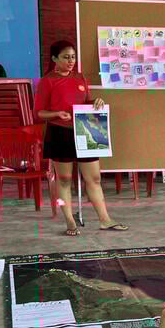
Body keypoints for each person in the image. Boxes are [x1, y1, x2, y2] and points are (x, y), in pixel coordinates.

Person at [35, 40, 128, 236]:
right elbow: (39, 113)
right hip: (60, 132)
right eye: (65, 57)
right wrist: (56, 114)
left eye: (73, 57)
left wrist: (96, 102)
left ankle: (105, 219)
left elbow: (85, 102)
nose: (71, 61)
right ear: (54, 59)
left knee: (94, 178)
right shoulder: (47, 81)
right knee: (64, 179)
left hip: (86, 128)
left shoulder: (80, 78)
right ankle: (69, 220)